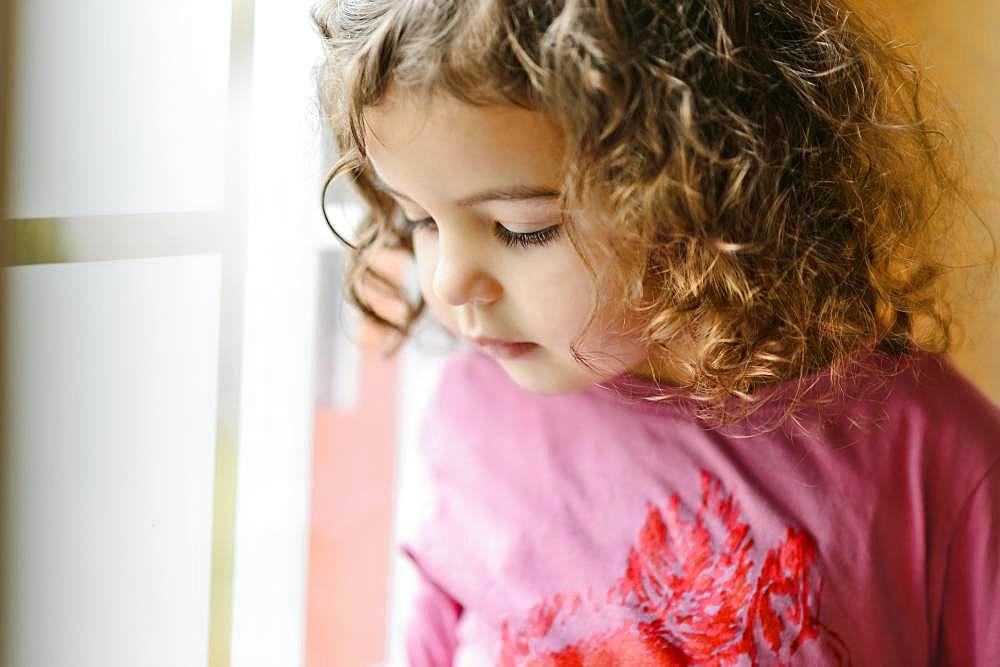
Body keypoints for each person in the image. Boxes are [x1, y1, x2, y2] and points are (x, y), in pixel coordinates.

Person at [313, 1, 1000, 664]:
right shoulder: (471, 412)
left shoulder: (937, 461)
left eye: (524, 228)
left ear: (699, 184)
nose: (446, 283)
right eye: (419, 220)